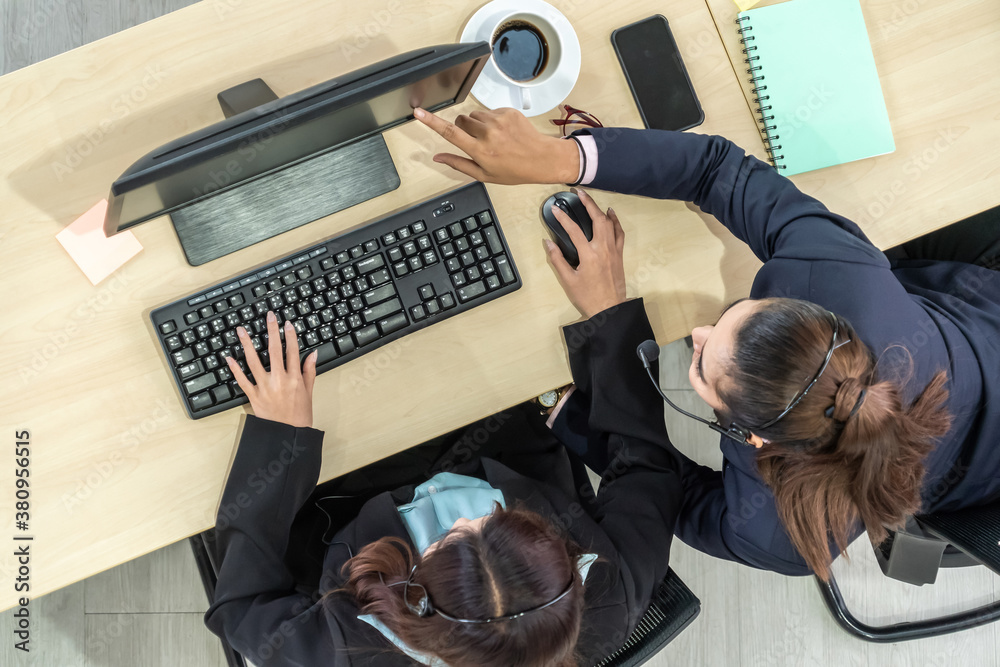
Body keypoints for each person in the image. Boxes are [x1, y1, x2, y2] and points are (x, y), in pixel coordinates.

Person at [410, 106, 1000, 580]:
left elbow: (675, 496)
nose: (695, 331)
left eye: (701, 366)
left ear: (751, 437)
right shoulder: (838, 276)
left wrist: (608, 333)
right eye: (736, 314)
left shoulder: (782, 534)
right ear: (809, 309)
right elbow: (718, 168)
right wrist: (558, 156)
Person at [204, 267, 685, 665]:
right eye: (498, 521)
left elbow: (242, 608)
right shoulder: (611, 595)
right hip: (496, 436)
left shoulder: (347, 655)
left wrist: (282, 443)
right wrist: (608, 321)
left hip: (342, 492)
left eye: (452, 542)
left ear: (422, 607)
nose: (461, 516)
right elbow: (649, 467)